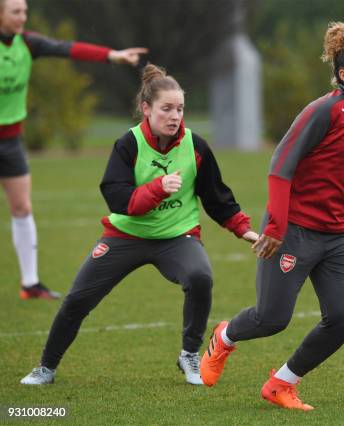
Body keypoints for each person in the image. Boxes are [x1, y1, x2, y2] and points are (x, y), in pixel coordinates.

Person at [199, 22, 344, 410]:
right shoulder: (324, 111)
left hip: (338, 238)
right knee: (271, 319)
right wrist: (275, 226)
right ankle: (224, 337)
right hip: (292, 230)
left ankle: (281, 383)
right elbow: (280, 166)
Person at [20, 63, 258, 385]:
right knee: (77, 300)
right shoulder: (128, 144)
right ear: (146, 109)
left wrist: (243, 229)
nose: (174, 116)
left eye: (180, 109)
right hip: (125, 236)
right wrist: (159, 188)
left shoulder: (196, 146)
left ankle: (189, 355)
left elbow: (217, 197)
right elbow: (119, 199)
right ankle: (46, 367)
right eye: (166, 109)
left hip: (178, 236)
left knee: (200, 276)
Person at [0, 0, 148, 299]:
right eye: (15, 11)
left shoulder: (27, 44)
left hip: (11, 140)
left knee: (22, 208)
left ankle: (30, 284)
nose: (22, 17)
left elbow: (67, 48)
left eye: (25, 11)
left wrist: (112, 56)